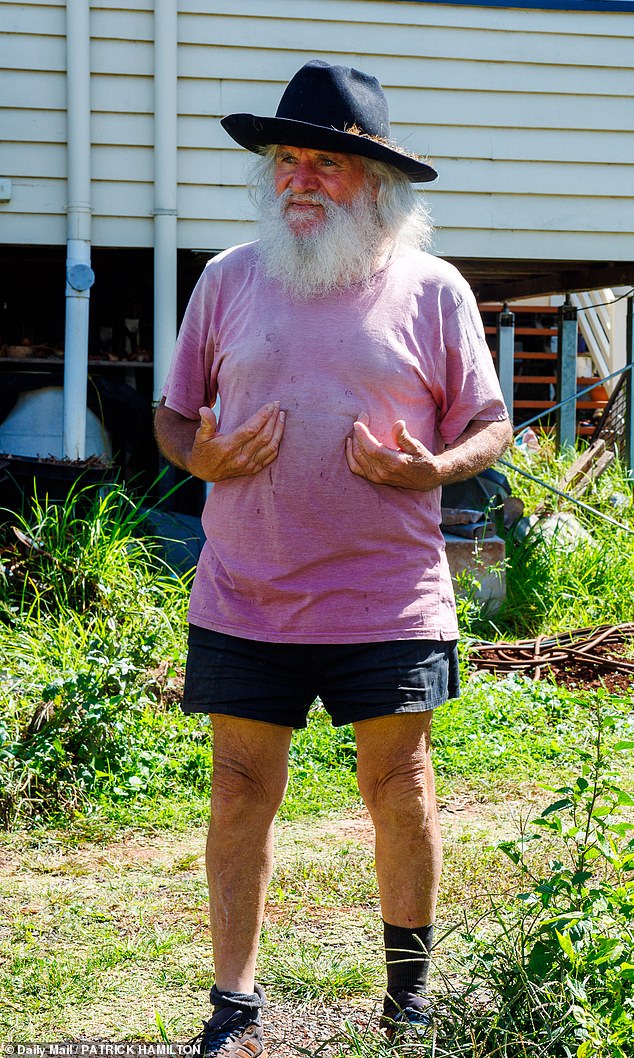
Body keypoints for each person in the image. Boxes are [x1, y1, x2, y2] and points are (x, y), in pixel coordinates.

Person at [154, 59, 512, 1058]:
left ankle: (407, 995)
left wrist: (431, 466)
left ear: (374, 184)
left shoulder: (433, 289)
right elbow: (175, 417)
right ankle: (233, 1001)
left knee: (399, 787)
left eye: (324, 162)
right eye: (286, 159)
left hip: (386, 594)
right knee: (236, 786)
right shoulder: (226, 278)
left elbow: (488, 423)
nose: (299, 177)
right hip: (246, 589)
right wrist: (202, 454)